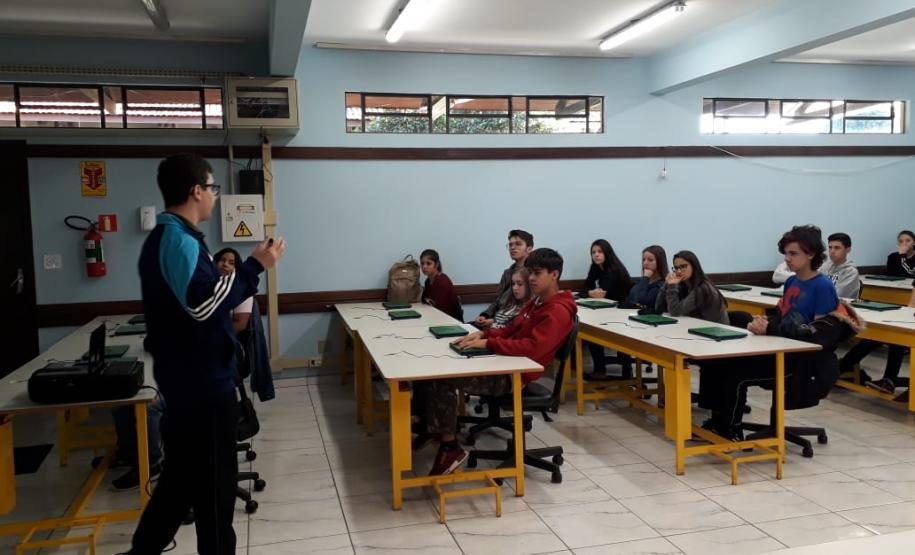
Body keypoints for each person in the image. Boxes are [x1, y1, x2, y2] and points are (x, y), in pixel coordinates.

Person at [128, 153, 285, 555]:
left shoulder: (172, 238)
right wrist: (253, 267)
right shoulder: (178, 240)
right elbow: (202, 305)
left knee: (179, 483)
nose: (215, 196)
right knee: (214, 492)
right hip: (202, 388)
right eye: (213, 188)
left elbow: (200, 300)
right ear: (196, 191)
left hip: (188, 382)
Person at [420, 248, 576, 475]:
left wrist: (489, 344)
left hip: (515, 377)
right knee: (437, 369)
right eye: (530, 272)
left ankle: (450, 446)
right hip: (505, 364)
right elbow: (512, 329)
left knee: (443, 379)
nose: (531, 278)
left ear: (554, 275)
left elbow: (531, 348)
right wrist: (484, 335)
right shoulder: (538, 302)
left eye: (537, 273)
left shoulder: (557, 311)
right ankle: (436, 430)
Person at [700, 225, 860, 439]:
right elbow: (785, 317)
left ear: (811, 254)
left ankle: (731, 429)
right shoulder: (792, 281)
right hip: (780, 348)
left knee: (737, 375)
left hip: (803, 361)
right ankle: (718, 422)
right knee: (720, 361)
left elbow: (819, 335)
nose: (788, 258)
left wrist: (772, 327)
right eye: (786, 253)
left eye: (793, 253)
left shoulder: (822, 286)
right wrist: (765, 322)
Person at [839, 230, 915, 393]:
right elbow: (901, 279)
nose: (904, 243)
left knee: (894, 338)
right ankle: (841, 368)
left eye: (907, 240)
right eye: (901, 240)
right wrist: (909, 309)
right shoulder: (893, 257)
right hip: (909, 314)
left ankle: (888, 379)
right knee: (875, 336)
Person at [579, 239, 632, 375]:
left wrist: (591, 293)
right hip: (604, 311)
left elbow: (603, 293)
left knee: (595, 333)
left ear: (607, 253)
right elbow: (585, 288)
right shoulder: (595, 268)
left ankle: (626, 371)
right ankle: (600, 369)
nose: (596, 255)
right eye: (593, 252)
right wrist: (590, 292)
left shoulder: (613, 270)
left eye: (599, 252)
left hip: (621, 313)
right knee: (591, 333)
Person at [475, 230, 533, 328]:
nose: (513, 247)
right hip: (497, 318)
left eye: (518, 244)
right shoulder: (507, 273)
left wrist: (495, 322)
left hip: (510, 324)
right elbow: (497, 299)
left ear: (529, 248)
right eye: (510, 245)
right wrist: (485, 315)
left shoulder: (532, 274)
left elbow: (526, 307)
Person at [656, 250, 729, 325]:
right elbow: (659, 307)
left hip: (716, 330)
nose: (679, 271)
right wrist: (667, 283)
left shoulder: (702, 288)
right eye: (676, 268)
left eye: (683, 266)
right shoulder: (684, 284)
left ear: (694, 266)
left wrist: (671, 286)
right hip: (698, 326)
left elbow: (675, 312)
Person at [213, 248, 253, 333]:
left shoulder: (242, 289)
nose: (225, 264)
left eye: (231, 263)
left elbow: (240, 324)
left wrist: (213, 336)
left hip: (226, 339)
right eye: (222, 260)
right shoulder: (205, 284)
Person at [419, 249, 461, 320]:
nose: (424, 267)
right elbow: (424, 301)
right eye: (422, 263)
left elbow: (441, 310)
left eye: (428, 263)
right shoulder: (428, 281)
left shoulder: (442, 282)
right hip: (435, 317)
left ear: (437, 264)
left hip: (450, 322)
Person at [819, 233, 860, 299]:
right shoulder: (824, 267)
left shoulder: (851, 272)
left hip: (842, 307)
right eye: (830, 247)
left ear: (848, 250)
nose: (832, 251)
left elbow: (837, 295)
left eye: (837, 248)